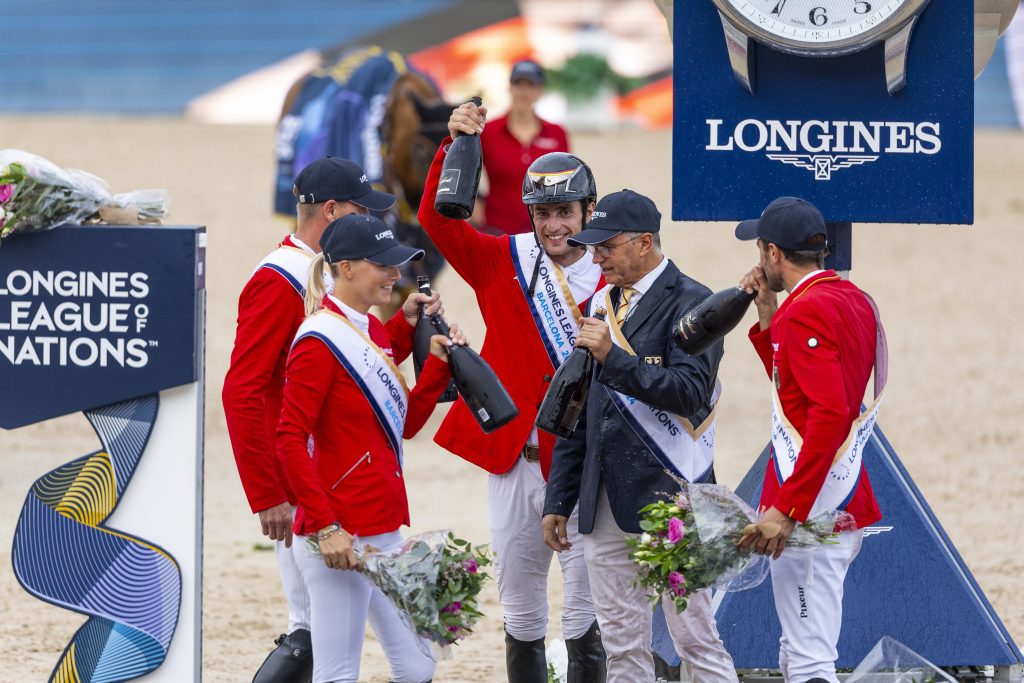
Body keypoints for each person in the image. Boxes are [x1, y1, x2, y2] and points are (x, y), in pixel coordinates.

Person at [222, 155, 440, 681]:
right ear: (335, 210)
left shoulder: (336, 283)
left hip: (348, 481)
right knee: (309, 638)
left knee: (339, 644)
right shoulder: (280, 279)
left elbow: (356, 369)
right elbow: (243, 390)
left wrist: (398, 331)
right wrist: (267, 492)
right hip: (308, 490)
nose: (372, 220)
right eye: (363, 209)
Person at [418, 101, 605, 682]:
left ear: (588, 211)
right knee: (522, 612)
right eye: (543, 213)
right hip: (515, 461)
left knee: (583, 615)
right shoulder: (503, 260)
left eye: (565, 213)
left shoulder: (614, 275)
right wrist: (453, 147)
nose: (553, 226)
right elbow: (436, 220)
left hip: (583, 465)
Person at [541, 189, 739, 683]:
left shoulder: (694, 301)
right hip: (603, 497)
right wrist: (559, 498)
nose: (596, 257)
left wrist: (616, 358)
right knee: (622, 645)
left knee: (695, 638)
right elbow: (578, 409)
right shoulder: (600, 302)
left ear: (644, 242)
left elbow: (689, 393)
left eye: (607, 246)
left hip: (673, 492)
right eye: (594, 247)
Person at [277, 213, 468, 683]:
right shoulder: (318, 342)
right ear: (345, 268)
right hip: (337, 533)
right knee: (338, 673)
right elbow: (288, 439)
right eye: (383, 266)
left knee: (418, 664)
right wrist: (325, 528)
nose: (395, 275)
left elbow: (402, 424)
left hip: (382, 527)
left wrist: (437, 367)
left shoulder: (372, 328)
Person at [735, 197, 885, 683]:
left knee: (809, 660)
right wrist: (766, 317)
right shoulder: (850, 297)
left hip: (812, 507)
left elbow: (829, 414)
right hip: (833, 497)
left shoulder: (806, 313)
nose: (759, 259)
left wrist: (786, 507)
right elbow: (794, 391)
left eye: (761, 249)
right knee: (796, 650)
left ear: (774, 253)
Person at [476, 58, 570, 235]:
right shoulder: (488, 131)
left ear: (540, 91)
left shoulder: (557, 133)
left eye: (531, 85)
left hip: (545, 232)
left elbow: (567, 181)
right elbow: (466, 173)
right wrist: (474, 202)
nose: (524, 91)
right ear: (510, 87)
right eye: (519, 84)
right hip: (497, 228)